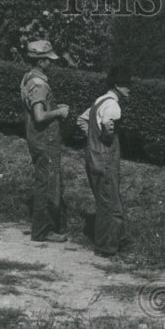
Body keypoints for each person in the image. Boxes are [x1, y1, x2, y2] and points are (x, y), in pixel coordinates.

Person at [20, 40, 70, 243]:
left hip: (36, 138)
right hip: (45, 140)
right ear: (40, 61)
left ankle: (42, 226)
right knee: (47, 184)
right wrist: (60, 111)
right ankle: (42, 230)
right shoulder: (39, 84)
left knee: (43, 181)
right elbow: (39, 116)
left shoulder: (28, 78)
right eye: (48, 60)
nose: (51, 63)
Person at [77, 66, 127, 258]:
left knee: (103, 201)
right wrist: (105, 138)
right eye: (125, 85)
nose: (129, 88)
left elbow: (81, 120)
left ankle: (103, 244)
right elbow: (108, 125)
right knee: (112, 206)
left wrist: (93, 138)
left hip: (92, 157)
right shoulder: (113, 105)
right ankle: (107, 249)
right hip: (105, 159)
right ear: (117, 86)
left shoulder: (99, 101)